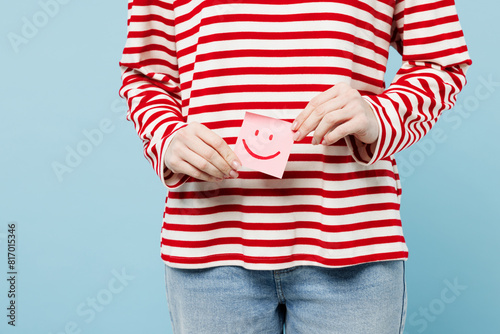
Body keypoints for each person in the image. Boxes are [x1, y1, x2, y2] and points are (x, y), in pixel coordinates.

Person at [119, 0, 471, 333]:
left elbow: (440, 62)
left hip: (350, 239)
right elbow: (145, 74)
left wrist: (379, 115)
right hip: (210, 243)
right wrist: (167, 135)